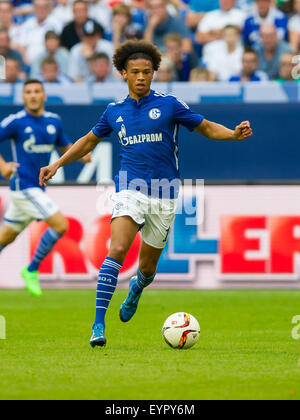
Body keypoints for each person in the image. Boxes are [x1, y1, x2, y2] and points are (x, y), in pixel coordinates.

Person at [39, 40, 253, 348]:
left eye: (147, 72)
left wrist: (232, 134)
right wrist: (58, 163)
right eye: (135, 72)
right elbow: (88, 142)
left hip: (164, 194)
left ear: (154, 74)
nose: (141, 77)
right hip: (130, 189)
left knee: (148, 268)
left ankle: (137, 289)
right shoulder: (114, 111)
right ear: (123, 74)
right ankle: (98, 325)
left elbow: (205, 127)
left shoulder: (169, 105)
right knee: (117, 249)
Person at [0, 79, 91, 297]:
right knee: (60, 225)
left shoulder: (53, 121)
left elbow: (65, 146)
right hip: (24, 186)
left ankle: (30, 269)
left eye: (36, 91)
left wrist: (83, 155)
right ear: (23, 97)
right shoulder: (16, 121)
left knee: (5, 238)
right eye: (28, 92)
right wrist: (3, 166)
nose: (32, 95)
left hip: (37, 189)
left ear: (44, 96)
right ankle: (31, 270)